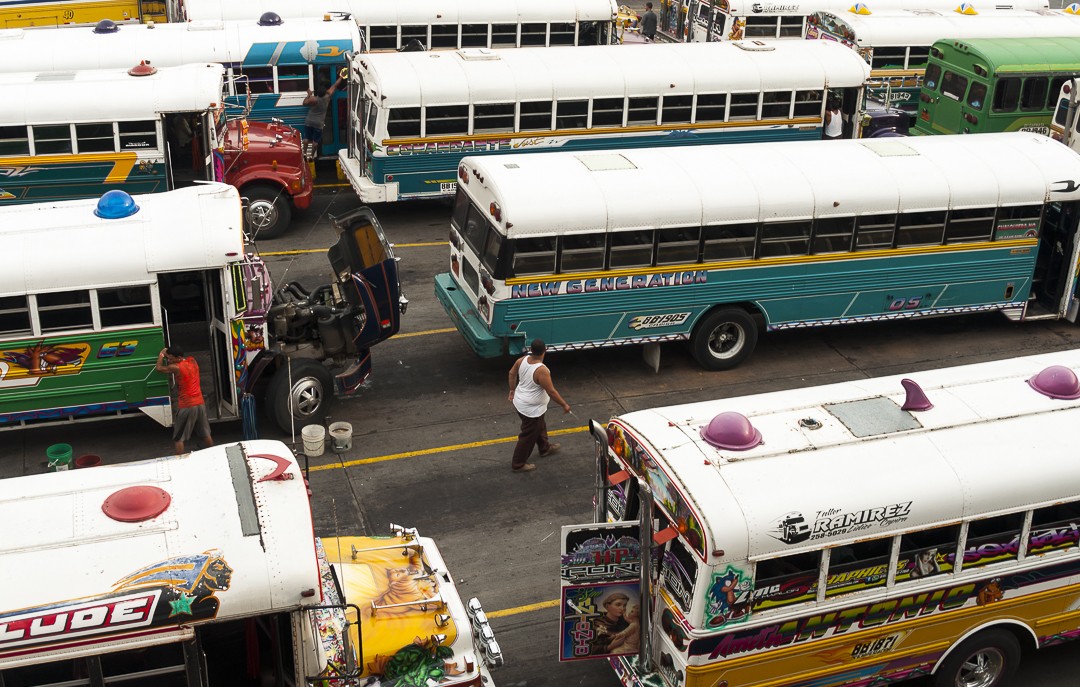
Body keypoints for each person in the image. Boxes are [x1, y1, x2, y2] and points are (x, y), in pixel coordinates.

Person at [507, 339, 570, 472]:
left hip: (521, 402)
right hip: (530, 409)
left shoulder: (522, 360)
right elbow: (551, 391)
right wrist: (564, 404)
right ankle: (518, 464)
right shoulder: (541, 371)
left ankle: (544, 448)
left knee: (539, 425)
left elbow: (511, 373)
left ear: (531, 350)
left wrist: (512, 390)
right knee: (528, 435)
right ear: (545, 350)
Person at [156, 346, 213, 455]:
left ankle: (179, 460)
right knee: (205, 433)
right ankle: (211, 453)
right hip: (200, 403)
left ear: (178, 358)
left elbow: (159, 368)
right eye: (168, 358)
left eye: (171, 358)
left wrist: (161, 355)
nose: (169, 360)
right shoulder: (193, 361)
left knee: (178, 438)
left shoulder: (176, 367)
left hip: (187, 405)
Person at [302, 75, 344, 156]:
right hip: (319, 123)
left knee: (306, 139)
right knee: (315, 143)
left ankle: (304, 153)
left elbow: (304, 103)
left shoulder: (313, 99)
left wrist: (309, 94)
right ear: (325, 93)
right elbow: (335, 85)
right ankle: (311, 156)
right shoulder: (327, 97)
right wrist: (341, 77)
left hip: (309, 121)